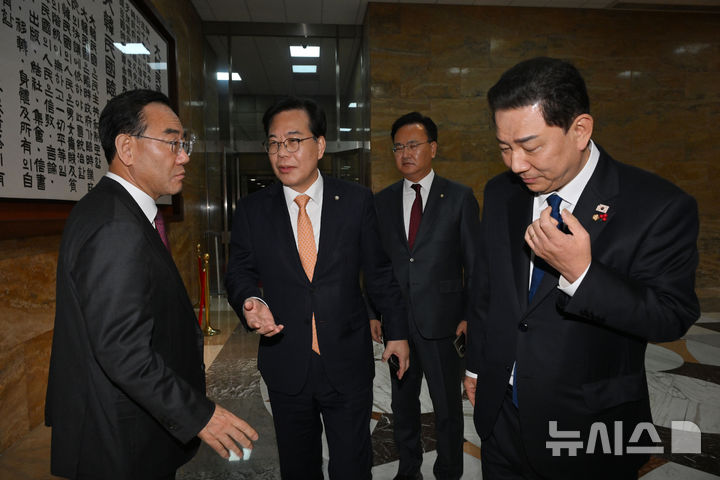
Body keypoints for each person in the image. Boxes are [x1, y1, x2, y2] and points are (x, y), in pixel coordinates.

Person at [463, 57, 700, 480]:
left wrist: (584, 275)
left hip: (589, 428)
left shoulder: (658, 206)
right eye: (504, 147)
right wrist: (477, 366)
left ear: (580, 130)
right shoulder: (502, 193)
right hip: (501, 418)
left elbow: (671, 315)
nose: (515, 164)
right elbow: (488, 289)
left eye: (530, 147)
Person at [46, 89, 258, 480]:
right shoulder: (115, 225)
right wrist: (200, 415)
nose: (184, 156)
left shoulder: (117, 210)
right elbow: (122, 349)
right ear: (127, 148)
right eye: (173, 143)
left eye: (184, 144)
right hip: (120, 437)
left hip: (132, 425)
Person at [224, 96, 410, 480]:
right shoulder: (252, 210)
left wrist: (397, 332)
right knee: (298, 466)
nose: (282, 153)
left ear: (320, 145)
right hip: (286, 360)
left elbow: (379, 273)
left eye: (293, 140)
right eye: (273, 143)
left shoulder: (356, 201)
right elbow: (239, 271)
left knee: (352, 465)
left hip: (346, 359)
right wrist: (250, 300)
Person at [369, 112, 480, 480]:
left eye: (413, 145)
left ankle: (449, 471)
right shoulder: (382, 202)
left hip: (444, 324)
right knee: (403, 405)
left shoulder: (459, 197)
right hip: (397, 323)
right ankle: (409, 469)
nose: (405, 153)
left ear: (433, 148)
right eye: (398, 147)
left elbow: (474, 265)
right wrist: (373, 312)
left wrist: (469, 315)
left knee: (447, 407)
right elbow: (374, 264)